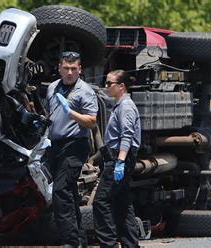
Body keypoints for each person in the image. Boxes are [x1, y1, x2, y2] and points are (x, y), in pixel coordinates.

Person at [46, 51, 98, 247]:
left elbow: (92, 121)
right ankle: (80, 240)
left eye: (73, 69)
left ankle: (70, 241)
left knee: (61, 191)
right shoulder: (52, 88)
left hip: (76, 144)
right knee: (68, 193)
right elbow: (50, 113)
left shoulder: (85, 91)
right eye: (66, 68)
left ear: (80, 70)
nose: (69, 73)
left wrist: (71, 112)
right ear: (59, 68)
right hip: (55, 145)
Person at [93, 70, 141, 248]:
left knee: (101, 202)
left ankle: (109, 244)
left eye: (109, 84)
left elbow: (127, 135)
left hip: (119, 158)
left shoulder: (126, 107)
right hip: (118, 158)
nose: (106, 87)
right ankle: (131, 244)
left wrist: (120, 162)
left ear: (121, 86)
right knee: (122, 203)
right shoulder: (121, 105)